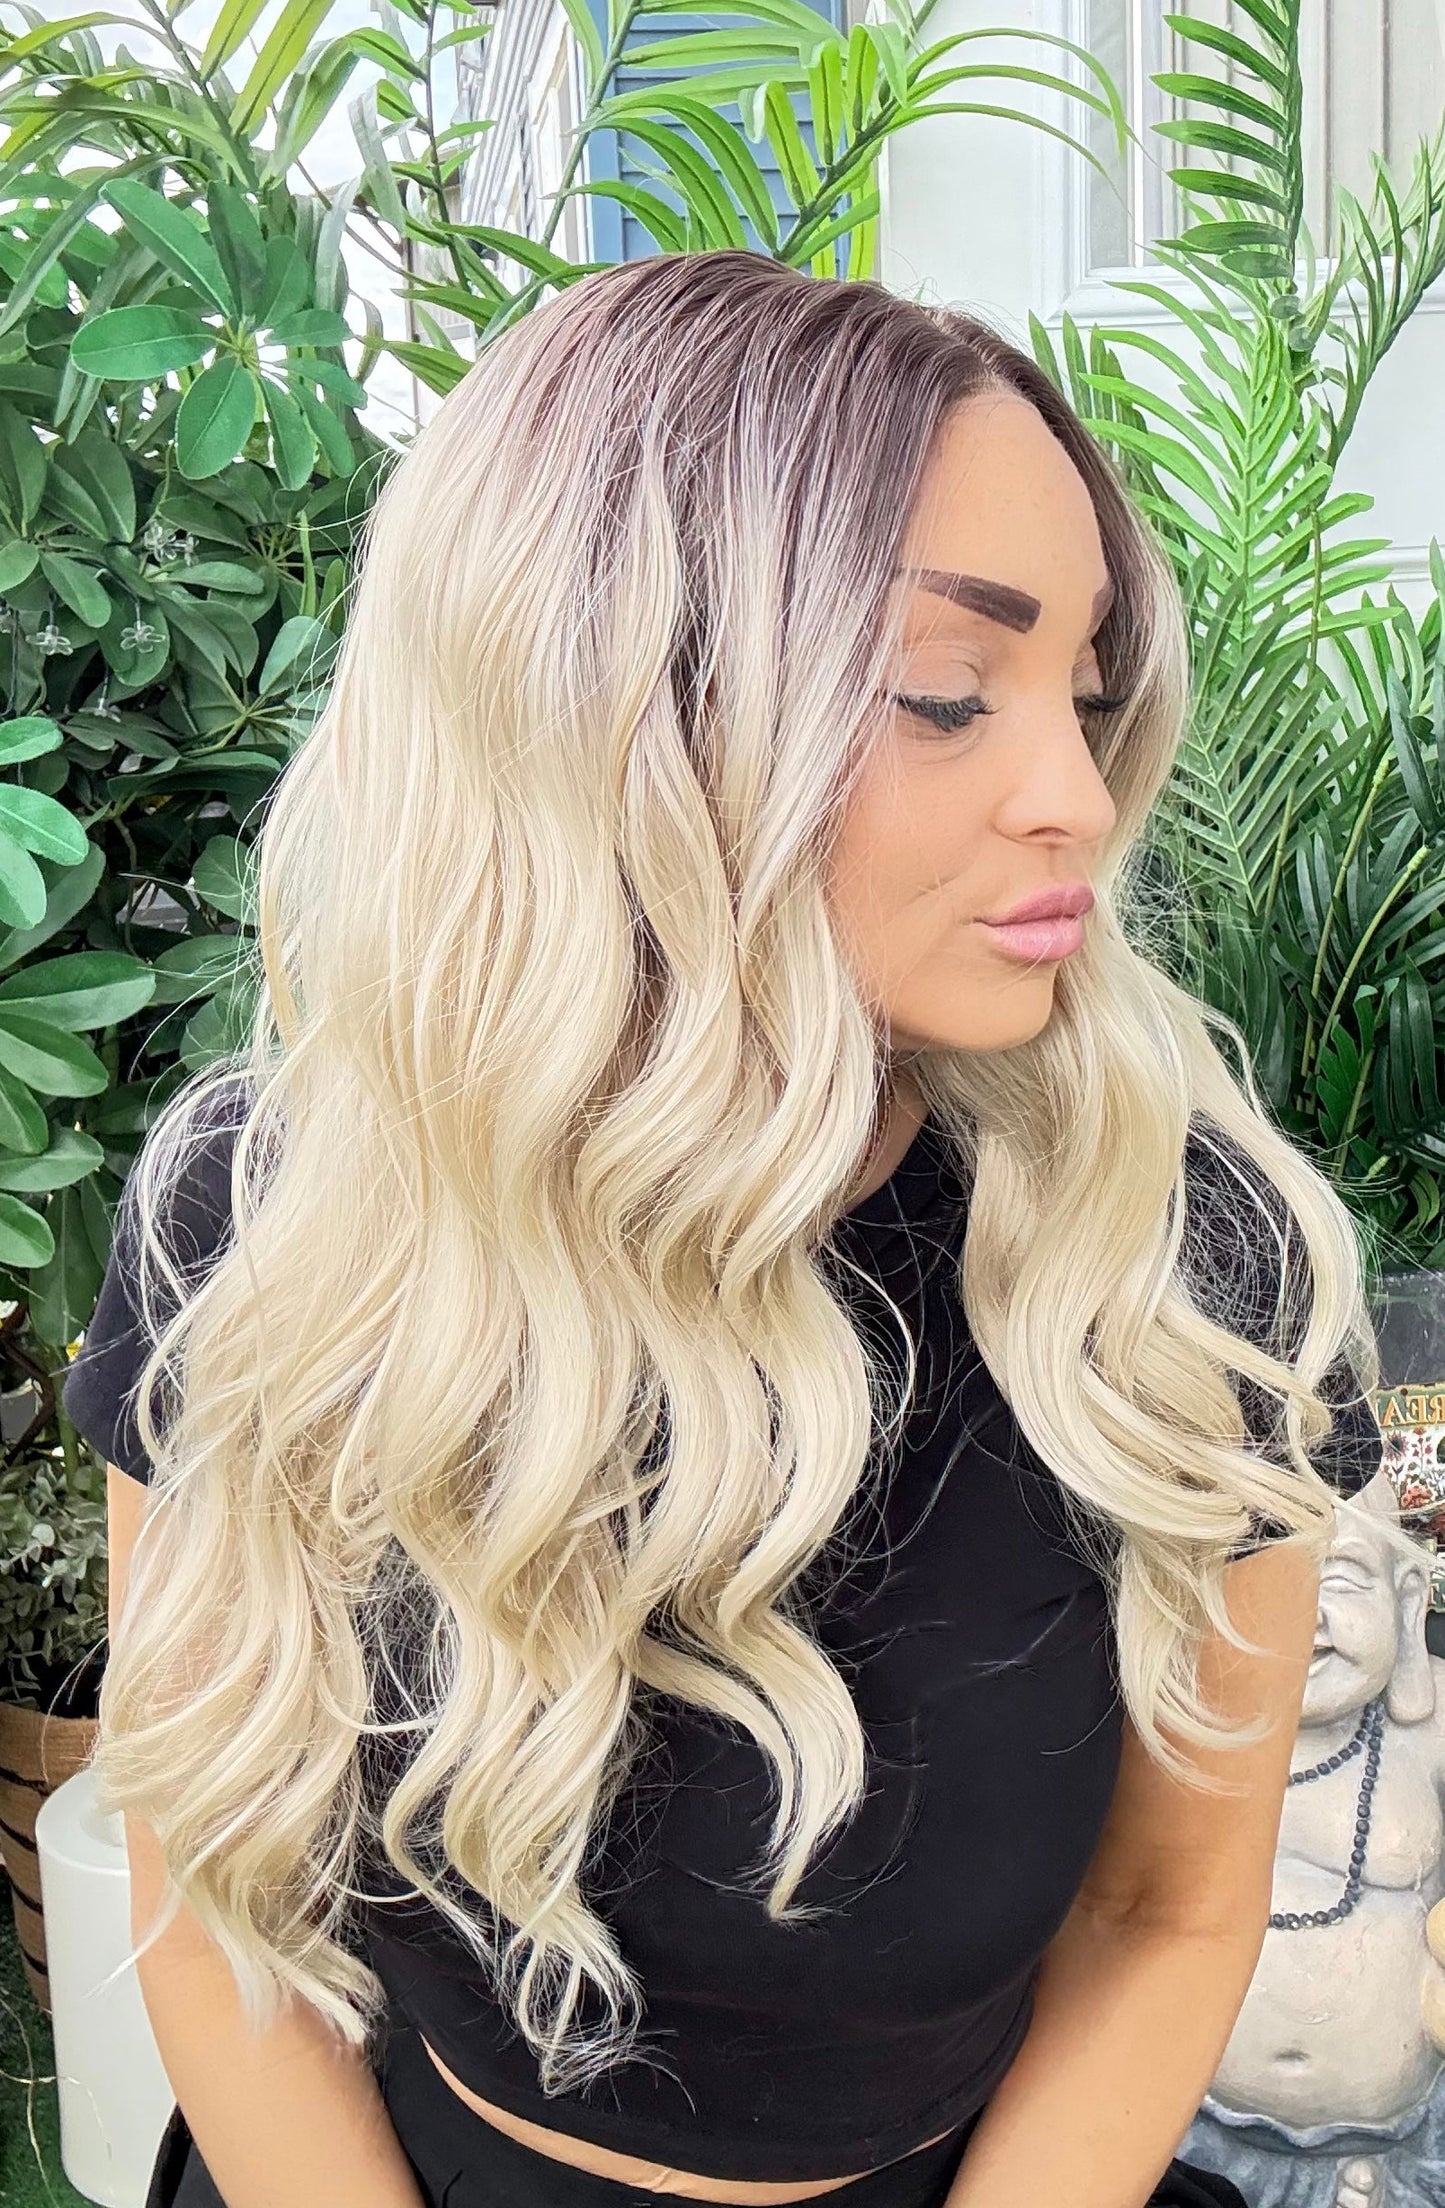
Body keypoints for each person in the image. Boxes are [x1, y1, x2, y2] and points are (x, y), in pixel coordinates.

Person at [62, 249, 1412, 2208]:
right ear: (598, 707)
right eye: (949, 691)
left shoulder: (1186, 1279)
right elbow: (208, 1876)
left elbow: (1162, 1916)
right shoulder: (271, 1233)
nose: (1076, 794)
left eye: (1090, 687)